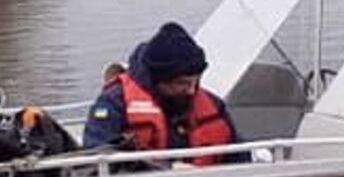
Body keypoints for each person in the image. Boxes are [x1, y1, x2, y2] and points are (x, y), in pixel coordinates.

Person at [83, 22, 247, 165]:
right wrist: (164, 168)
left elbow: (239, 158)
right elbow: (97, 157)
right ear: (159, 80)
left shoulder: (214, 106)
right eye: (182, 83)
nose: (191, 91)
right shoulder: (115, 103)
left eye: (196, 81)